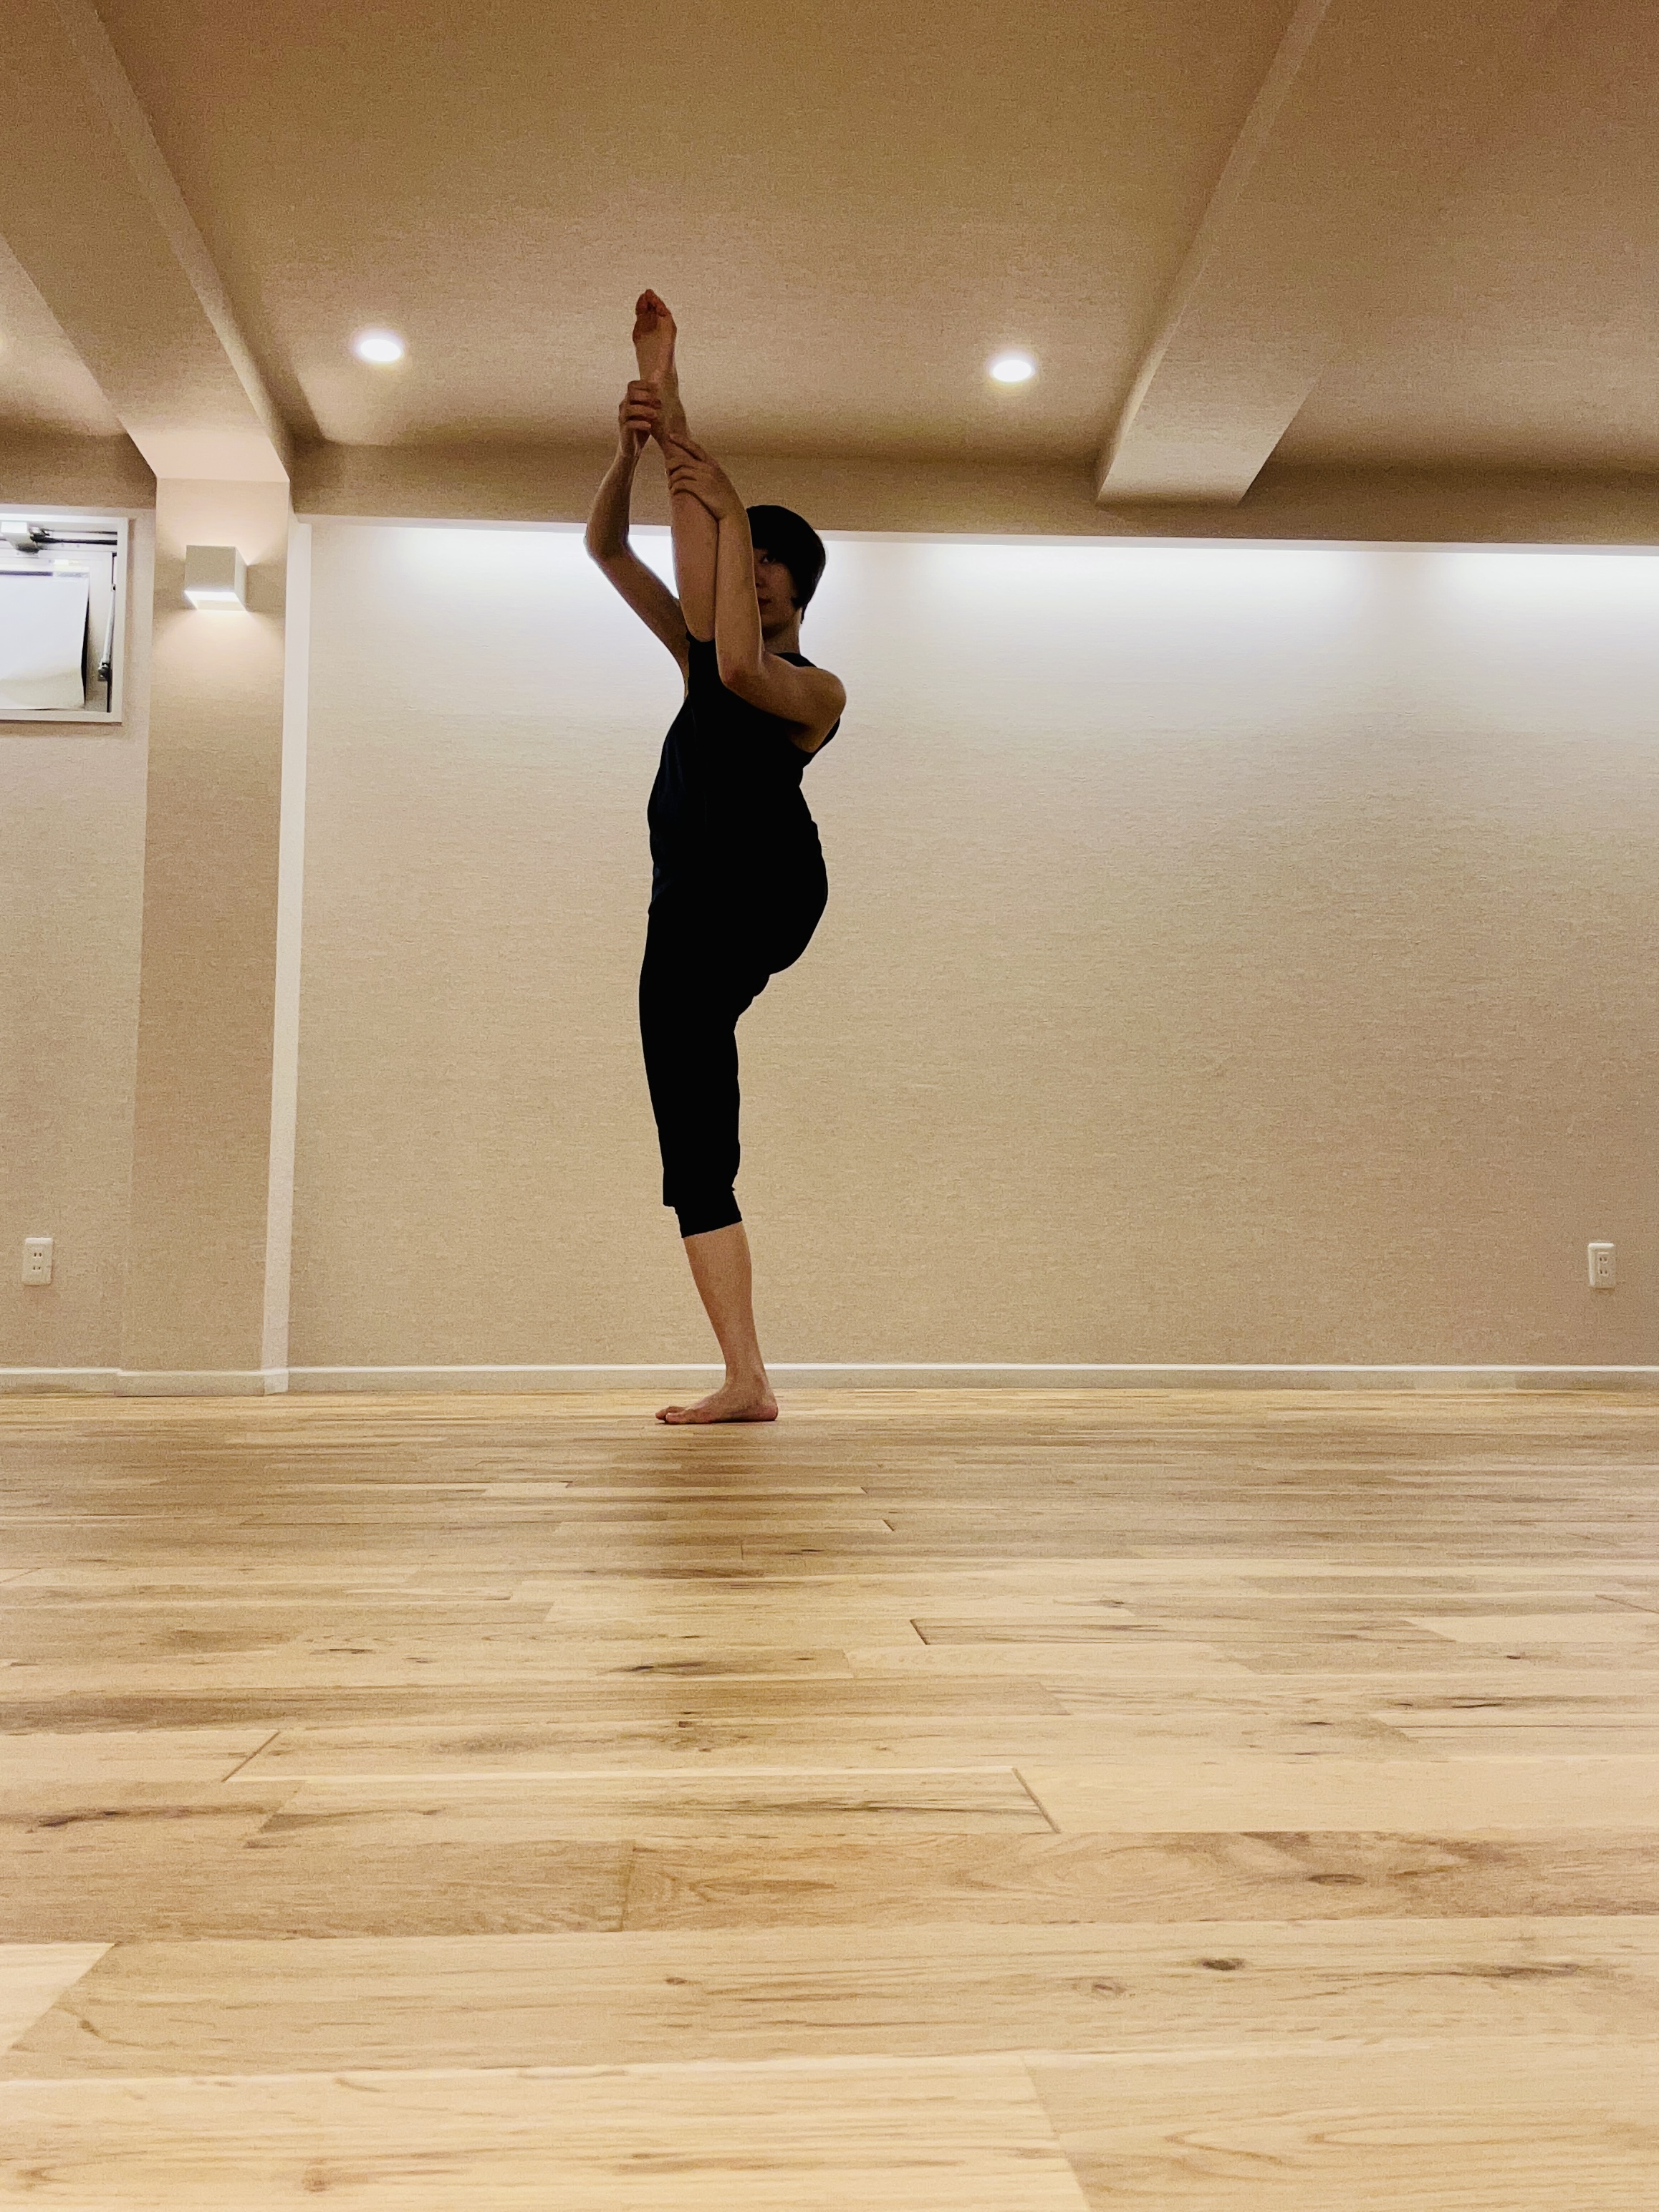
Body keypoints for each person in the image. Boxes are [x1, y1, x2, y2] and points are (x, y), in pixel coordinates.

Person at [585, 291, 845, 1424]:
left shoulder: (815, 692)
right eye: (758, 554)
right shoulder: (698, 649)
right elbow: (606, 549)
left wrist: (728, 503)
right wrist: (637, 444)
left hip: (767, 890)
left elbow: (740, 663)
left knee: (711, 635)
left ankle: (748, 1378)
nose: (764, 569)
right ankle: (747, 1377)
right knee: (693, 1144)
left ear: (798, 588)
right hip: (683, 909)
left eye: (780, 562)